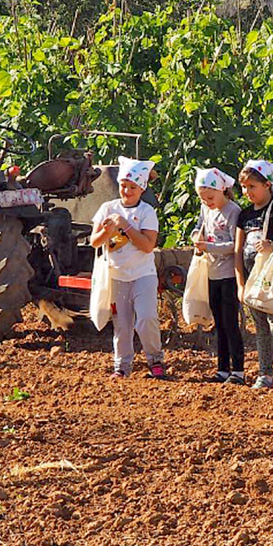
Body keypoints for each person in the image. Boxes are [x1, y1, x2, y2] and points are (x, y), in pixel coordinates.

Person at [91, 157, 164, 379]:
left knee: (146, 318)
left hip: (143, 274)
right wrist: (109, 231)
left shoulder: (146, 212)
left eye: (133, 187)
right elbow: (95, 241)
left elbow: (147, 245)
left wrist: (126, 226)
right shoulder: (107, 208)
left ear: (142, 189)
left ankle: (155, 360)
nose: (127, 191)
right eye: (124, 186)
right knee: (121, 324)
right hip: (116, 274)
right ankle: (122, 366)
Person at [235, 160, 273, 390]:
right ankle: (265, 373)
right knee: (260, 327)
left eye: (252, 186)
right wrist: (241, 284)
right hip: (252, 280)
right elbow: (237, 251)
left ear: (267, 185)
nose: (247, 192)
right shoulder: (244, 215)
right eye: (244, 187)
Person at [192, 167, 245, 384]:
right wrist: (196, 237)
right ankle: (222, 368)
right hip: (212, 273)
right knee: (219, 322)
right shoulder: (207, 210)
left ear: (222, 190)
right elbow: (198, 228)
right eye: (203, 199)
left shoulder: (233, 211)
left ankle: (238, 370)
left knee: (231, 322)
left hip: (229, 274)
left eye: (210, 197)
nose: (207, 202)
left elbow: (235, 244)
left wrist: (209, 247)